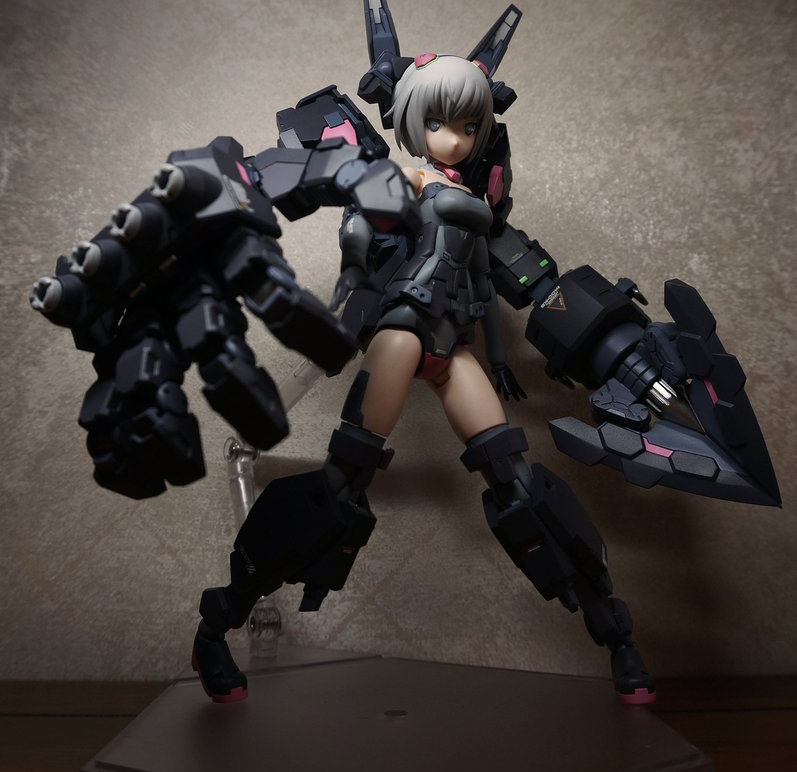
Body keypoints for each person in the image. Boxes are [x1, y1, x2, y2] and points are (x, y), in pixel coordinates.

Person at [192, 53, 657, 706]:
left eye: (468, 125)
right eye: (438, 123)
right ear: (413, 123)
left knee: (516, 481)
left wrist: (501, 358)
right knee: (341, 488)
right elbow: (358, 229)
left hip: (450, 344)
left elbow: (490, 282)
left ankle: (614, 634)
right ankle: (218, 622)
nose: (455, 138)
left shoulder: (480, 203)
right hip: (401, 331)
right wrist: (349, 285)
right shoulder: (403, 179)